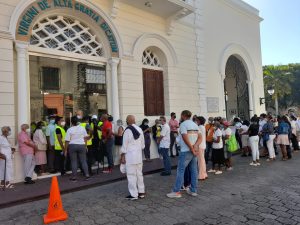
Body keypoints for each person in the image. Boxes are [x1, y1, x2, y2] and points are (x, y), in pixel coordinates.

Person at [167, 110, 202, 198]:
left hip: (186, 151)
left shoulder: (183, 124)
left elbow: (185, 137)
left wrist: (191, 148)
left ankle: (176, 191)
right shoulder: (195, 124)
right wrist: (195, 146)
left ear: (183, 115)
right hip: (193, 150)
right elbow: (200, 137)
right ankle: (193, 190)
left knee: (180, 170)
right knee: (194, 170)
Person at [121, 115, 146, 200]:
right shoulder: (140, 129)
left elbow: (124, 145)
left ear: (127, 121)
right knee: (139, 174)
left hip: (130, 157)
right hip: (139, 157)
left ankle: (134, 194)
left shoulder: (127, 130)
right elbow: (143, 145)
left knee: (131, 175)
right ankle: (141, 192)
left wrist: (122, 156)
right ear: (134, 121)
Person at [65, 116, 90, 181]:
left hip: (72, 146)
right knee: (83, 161)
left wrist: (65, 150)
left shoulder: (69, 129)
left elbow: (67, 140)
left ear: (71, 122)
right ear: (78, 121)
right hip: (81, 145)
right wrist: (86, 146)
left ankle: (74, 177)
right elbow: (85, 138)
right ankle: (87, 175)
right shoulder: (82, 128)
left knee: (74, 161)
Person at [196, 116, 207, 180]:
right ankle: (204, 174)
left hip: (199, 145)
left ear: (199, 121)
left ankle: (201, 175)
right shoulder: (203, 127)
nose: (196, 121)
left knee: (200, 161)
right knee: (202, 160)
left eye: (197, 120)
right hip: (203, 145)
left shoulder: (199, 127)